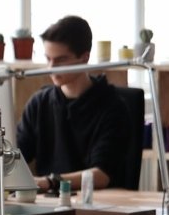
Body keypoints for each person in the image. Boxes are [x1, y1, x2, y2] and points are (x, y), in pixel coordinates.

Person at [17, 15, 130, 194]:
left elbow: (102, 174)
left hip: (98, 205)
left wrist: (50, 182)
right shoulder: (39, 103)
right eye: (48, 59)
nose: (51, 67)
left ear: (84, 58)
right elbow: (16, 156)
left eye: (60, 60)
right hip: (46, 204)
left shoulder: (113, 107)